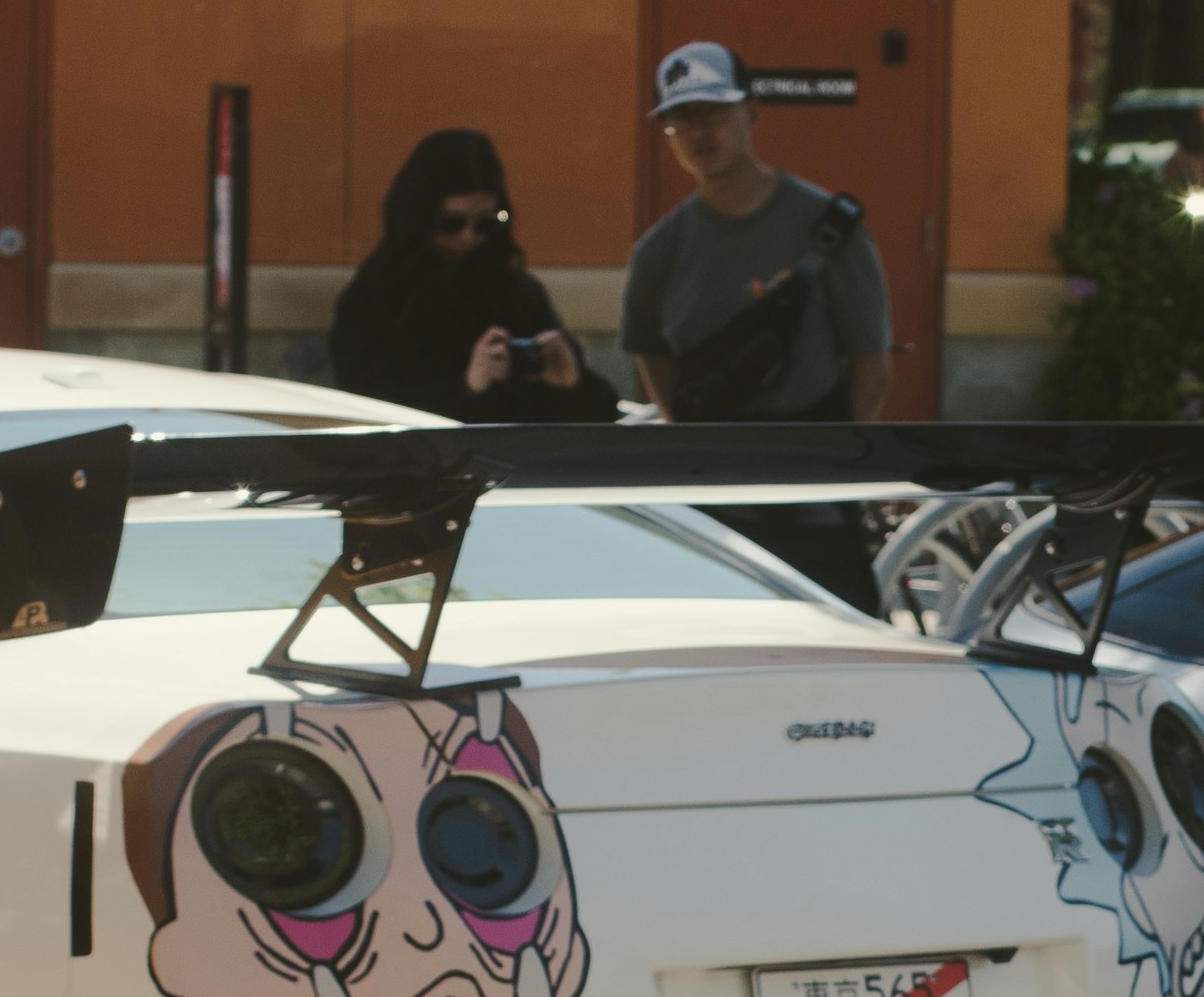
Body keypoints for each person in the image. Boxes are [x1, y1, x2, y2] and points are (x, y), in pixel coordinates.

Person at [624, 41, 896, 605]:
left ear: (751, 113)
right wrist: (693, 442)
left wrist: (832, 460)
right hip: (714, 510)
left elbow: (873, 361)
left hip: (818, 506)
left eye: (714, 113)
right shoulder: (658, 252)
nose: (699, 133)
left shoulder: (830, 228)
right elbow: (650, 352)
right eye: (680, 121)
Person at [330, 129, 620, 422]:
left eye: (486, 223)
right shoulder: (374, 299)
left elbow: (600, 411)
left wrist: (572, 384)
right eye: (450, 223)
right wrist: (466, 388)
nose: (468, 237)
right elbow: (365, 410)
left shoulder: (515, 291)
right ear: (419, 217)